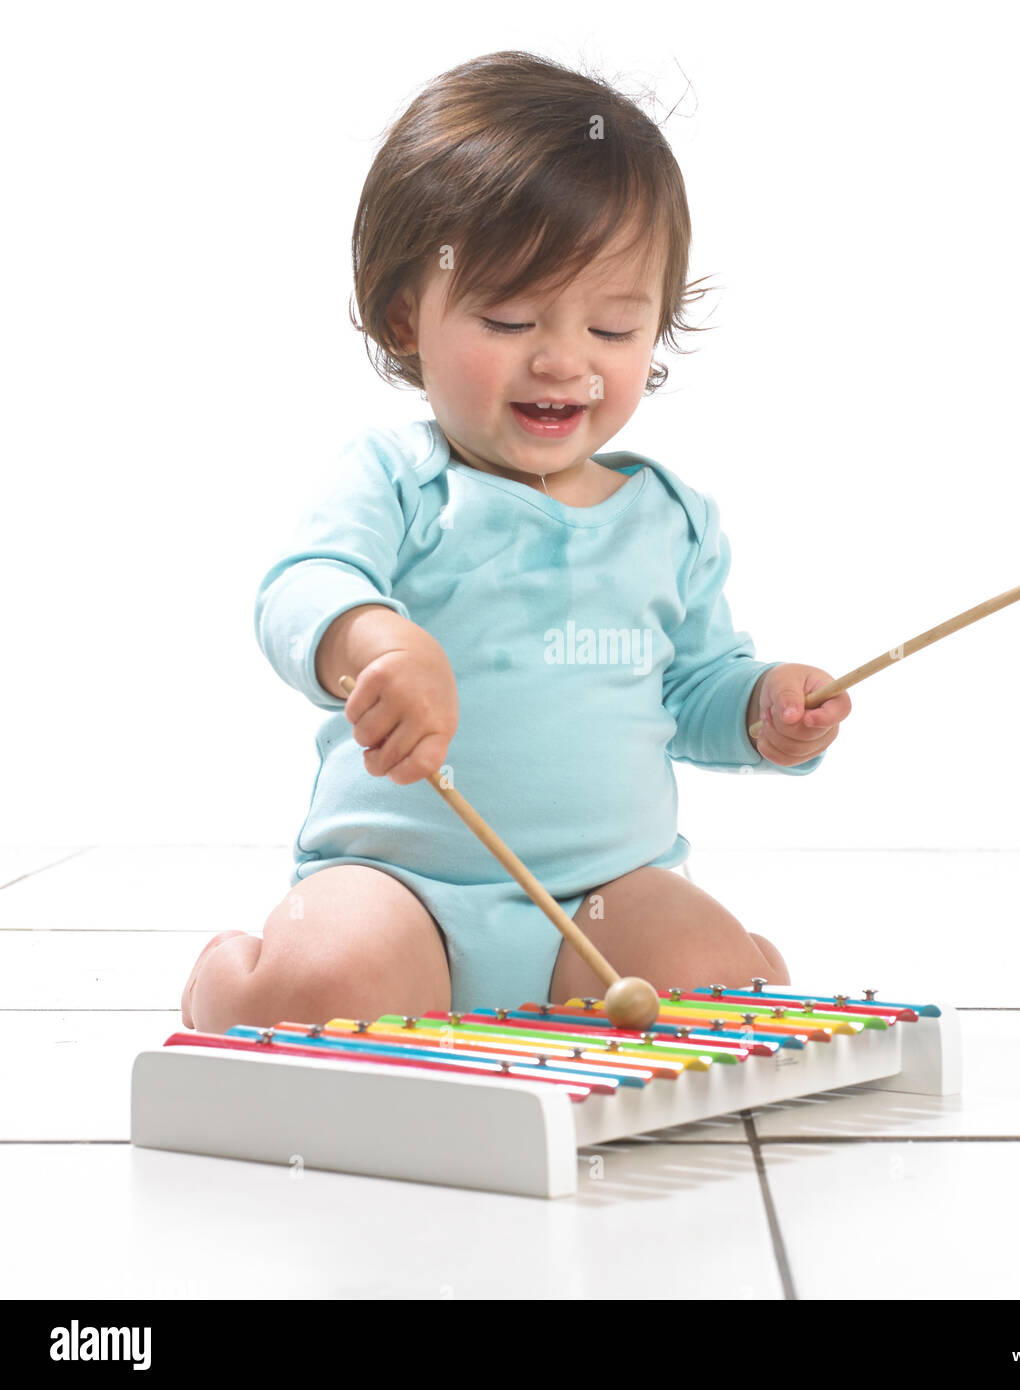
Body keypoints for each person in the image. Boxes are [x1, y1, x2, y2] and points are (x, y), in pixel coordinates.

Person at [182, 50, 851, 1034]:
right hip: (402, 891)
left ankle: (730, 965)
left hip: (602, 901)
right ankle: (230, 978)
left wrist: (764, 708)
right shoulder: (397, 481)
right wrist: (382, 641)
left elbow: (693, 690)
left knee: (722, 998)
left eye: (615, 329)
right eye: (509, 317)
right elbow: (300, 590)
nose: (562, 359)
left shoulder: (669, 520)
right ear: (407, 313)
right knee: (321, 996)